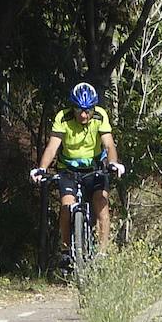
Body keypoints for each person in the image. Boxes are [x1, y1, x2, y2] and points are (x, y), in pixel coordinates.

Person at [30, 82, 124, 260]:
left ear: (93, 108)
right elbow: (52, 148)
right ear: (72, 107)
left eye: (88, 110)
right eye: (79, 109)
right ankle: (66, 251)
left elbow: (109, 144)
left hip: (95, 168)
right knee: (66, 206)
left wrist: (113, 163)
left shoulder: (100, 116)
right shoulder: (63, 118)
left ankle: (102, 253)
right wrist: (42, 168)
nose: (83, 114)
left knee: (101, 203)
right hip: (68, 170)